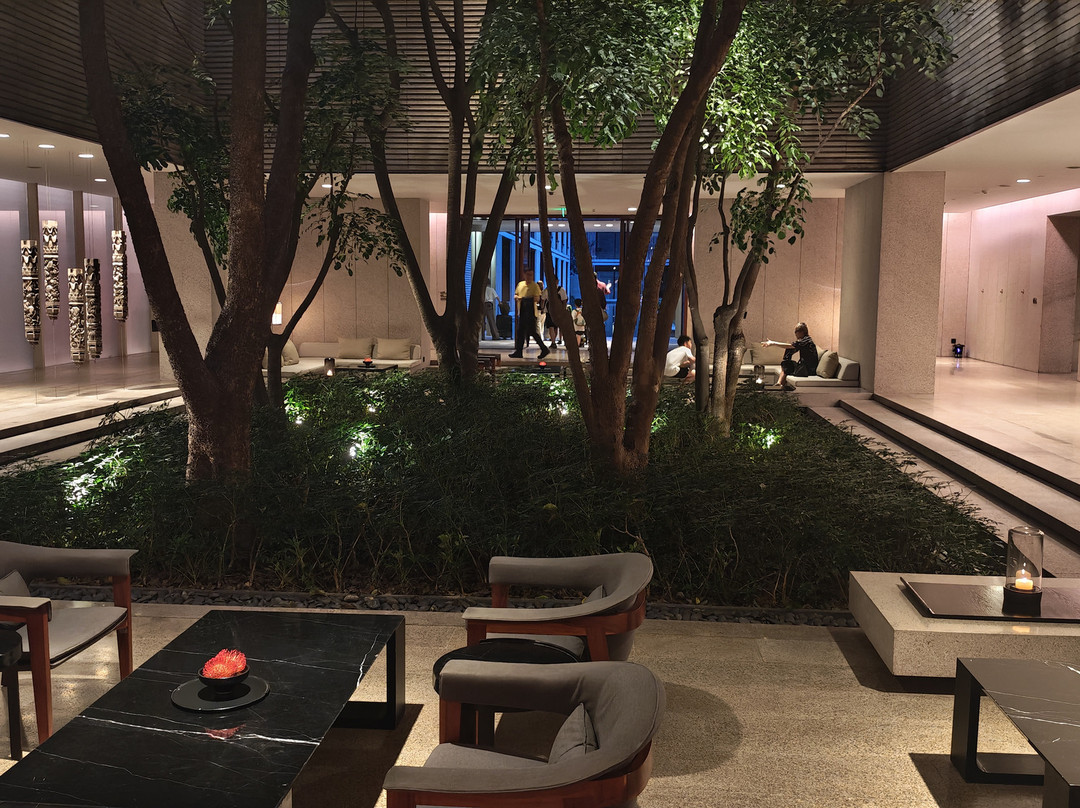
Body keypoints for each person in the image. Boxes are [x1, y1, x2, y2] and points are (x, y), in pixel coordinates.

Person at [762, 322, 817, 391]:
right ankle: (780, 384)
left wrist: (773, 343)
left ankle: (780, 383)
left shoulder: (806, 341)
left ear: (801, 332)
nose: (795, 334)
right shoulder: (804, 341)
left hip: (808, 370)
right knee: (786, 364)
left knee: (786, 364)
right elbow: (792, 348)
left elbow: (791, 346)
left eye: (796, 332)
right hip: (804, 368)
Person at [509, 269, 549, 359]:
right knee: (521, 332)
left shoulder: (535, 286)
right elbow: (515, 295)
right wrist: (518, 298)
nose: (529, 277)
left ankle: (544, 349)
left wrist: (525, 298)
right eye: (528, 274)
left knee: (533, 332)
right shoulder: (520, 284)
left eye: (531, 275)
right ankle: (519, 351)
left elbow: (537, 299)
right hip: (522, 311)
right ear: (525, 275)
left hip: (531, 312)